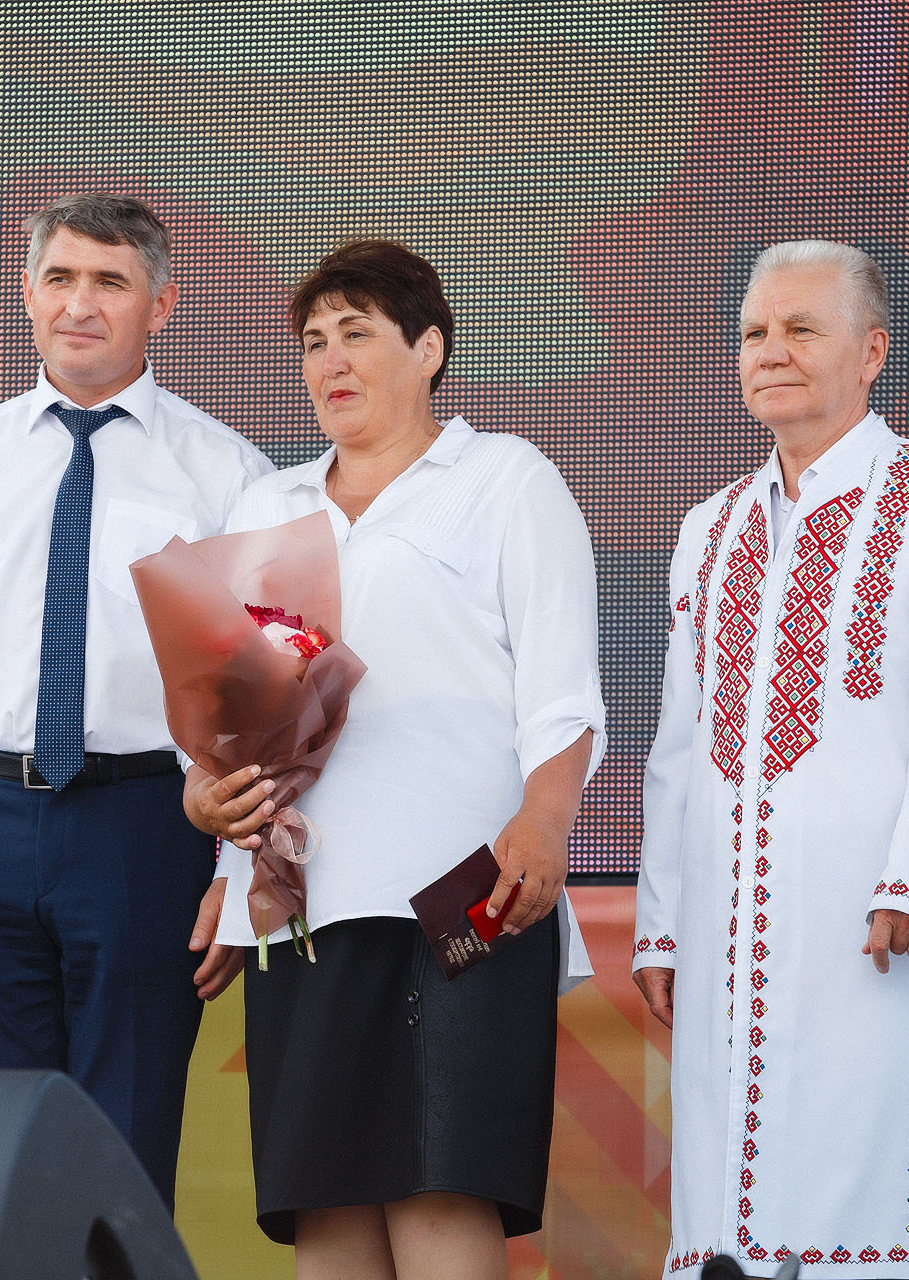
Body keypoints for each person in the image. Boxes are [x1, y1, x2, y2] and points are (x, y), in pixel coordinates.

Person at [189, 239, 606, 1278]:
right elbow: (237, 727)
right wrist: (218, 832)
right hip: (305, 902)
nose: (329, 360)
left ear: (429, 349)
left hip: (466, 892)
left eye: (356, 333)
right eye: (313, 341)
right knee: (327, 1210)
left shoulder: (506, 478)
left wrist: (545, 819)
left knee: (441, 1189)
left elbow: (561, 692)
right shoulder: (267, 507)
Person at [0, 192, 273, 1208]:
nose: (79, 304)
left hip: (145, 827)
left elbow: (253, 700)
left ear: (161, 305)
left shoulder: (227, 472)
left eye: (109, 282)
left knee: (122, 1152)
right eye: (60, 278)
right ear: (27, 293)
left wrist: (239, 869)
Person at [634, 241, 909, 1278]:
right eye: (754, 333)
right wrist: (664, 922)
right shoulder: (708, 531)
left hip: (881, 931)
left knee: (880, 1206)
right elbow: (678, 749)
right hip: (726, 941)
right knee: (727, 1220)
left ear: (872, 353)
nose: (771, 350)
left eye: (801, 328)